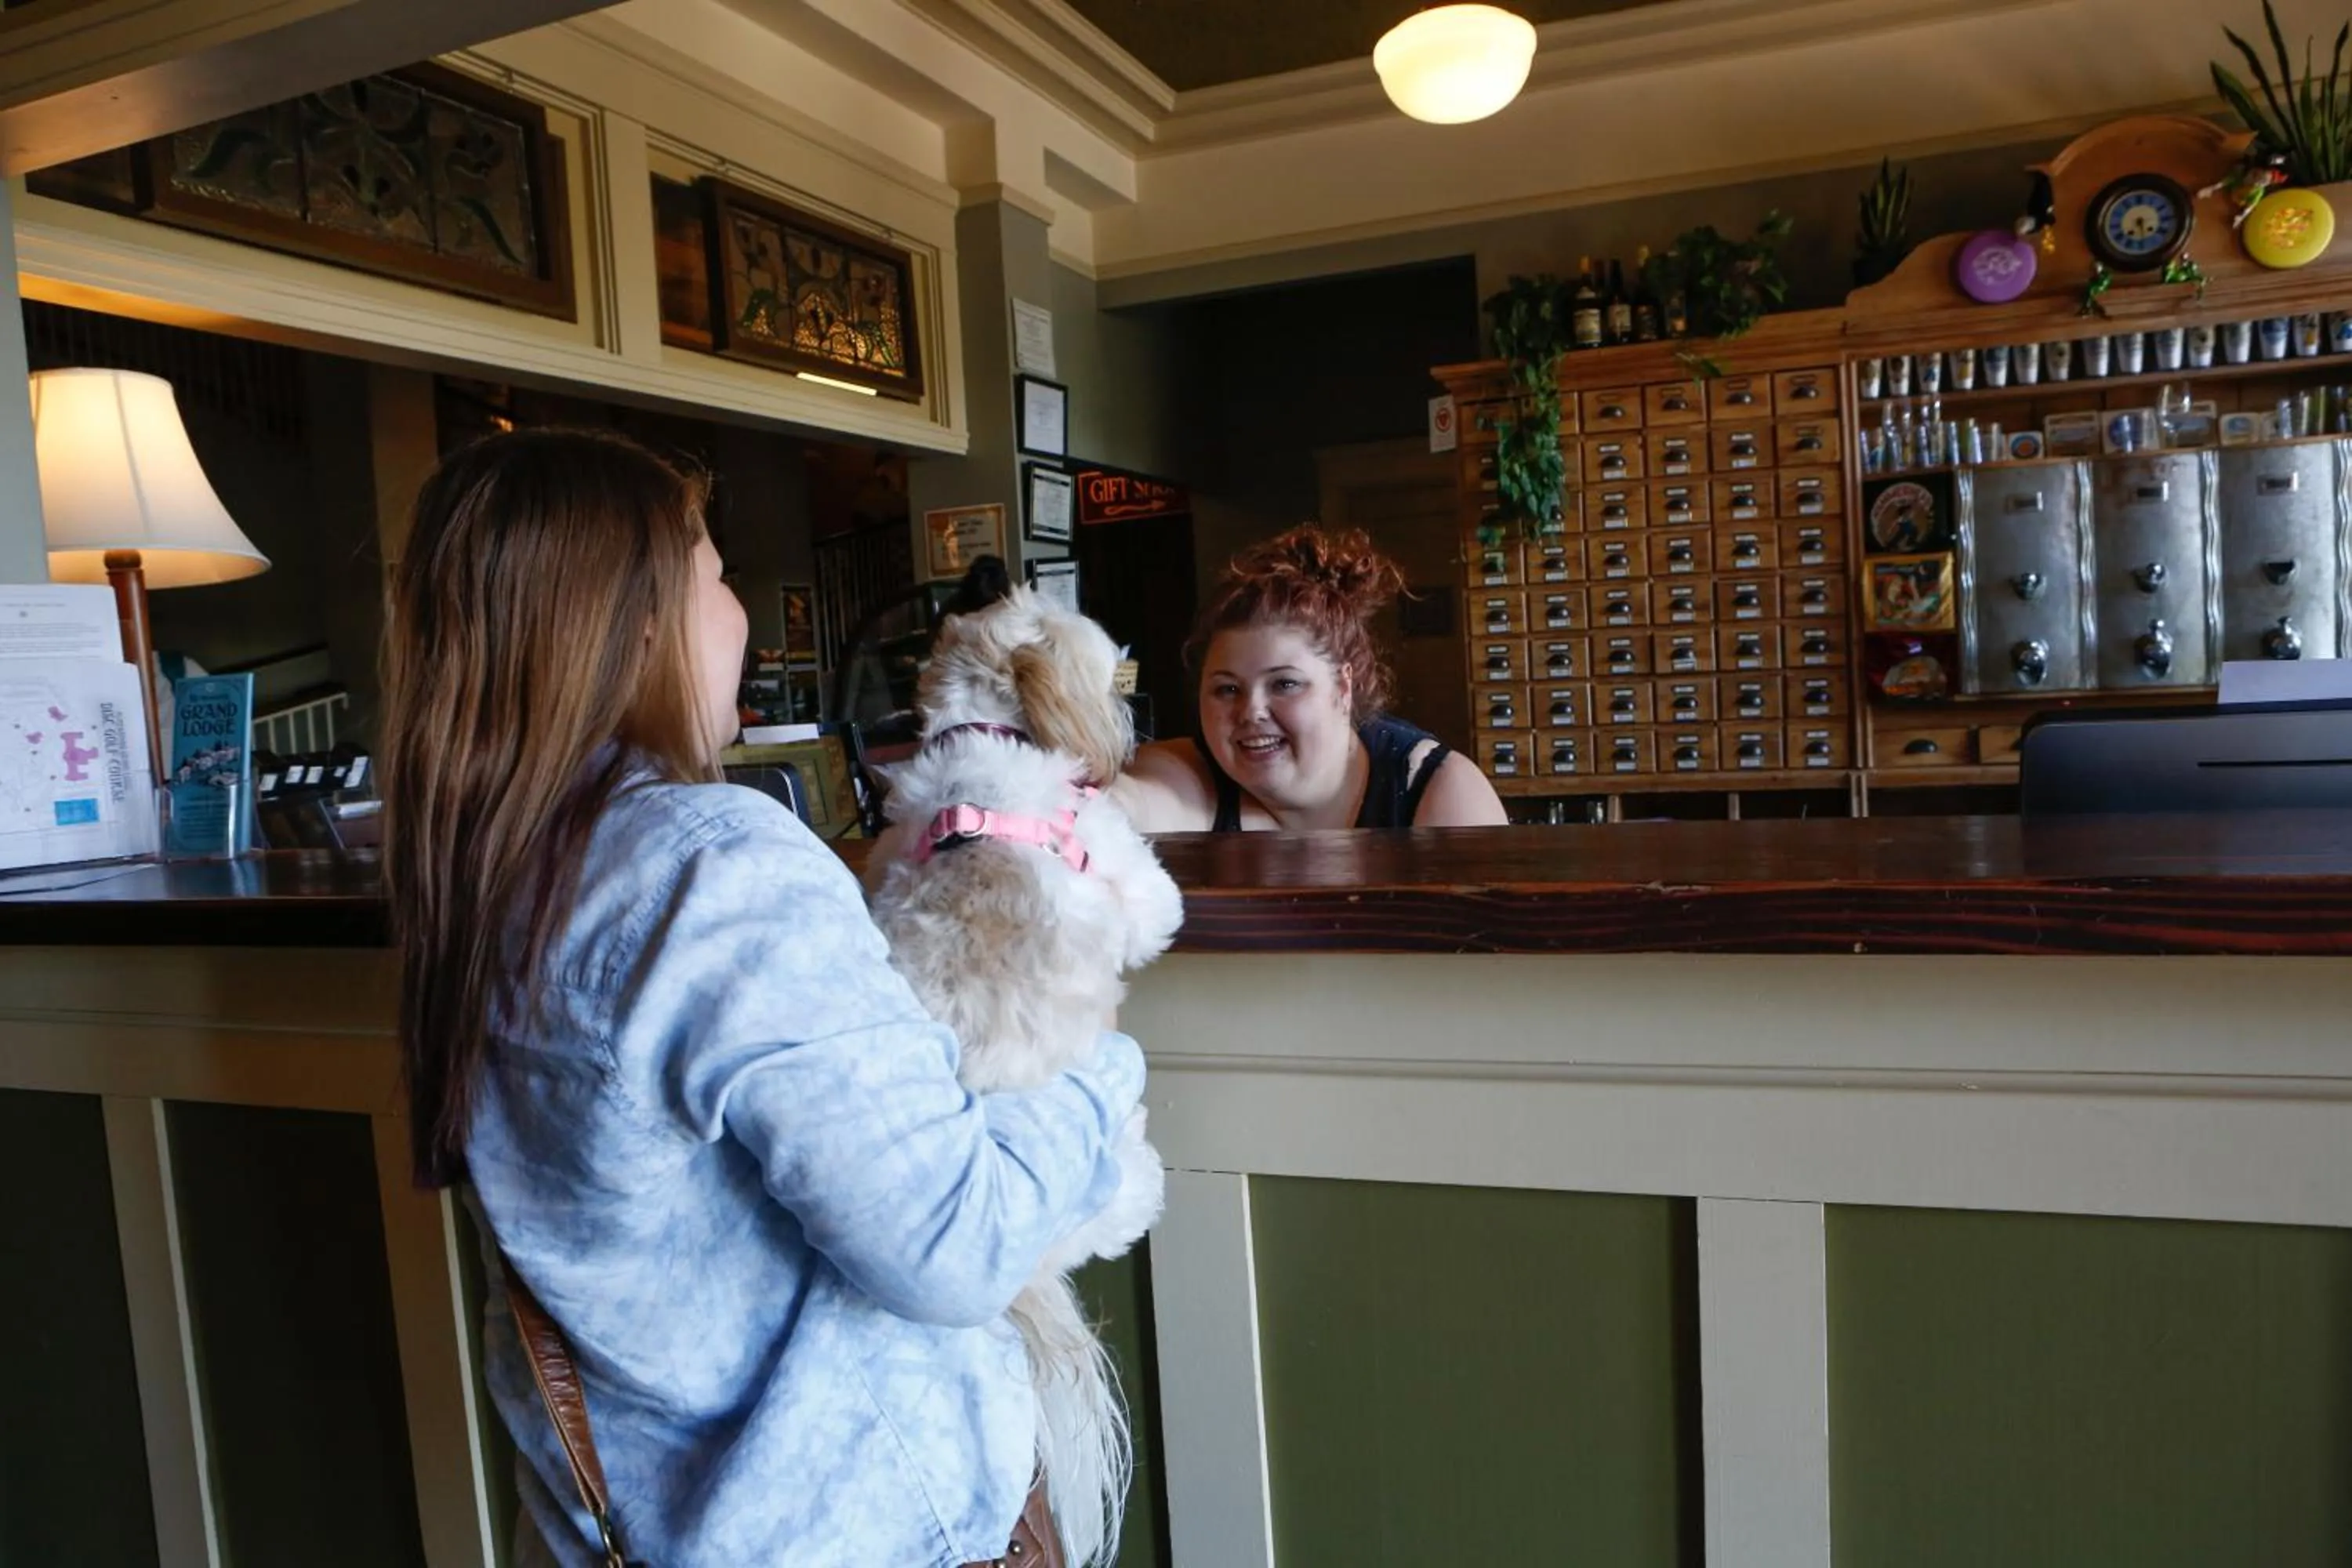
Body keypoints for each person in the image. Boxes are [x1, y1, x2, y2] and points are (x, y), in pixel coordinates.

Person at [379, 428, 1144, 1566]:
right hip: (851, 1532)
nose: (739, 610)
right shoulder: (708, 864)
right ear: (636, 625)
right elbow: (954, 1245)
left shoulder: (480, 868)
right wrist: (1099, 1055)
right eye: (716, 573)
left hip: (628, 1524)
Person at [1112, 524, 1508, 832]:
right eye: (1227, 689)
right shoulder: (1188, 775)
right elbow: (1128, 806)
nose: (1251, 711)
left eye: (1285, 684)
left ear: (1343, 687)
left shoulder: (1439, 790)